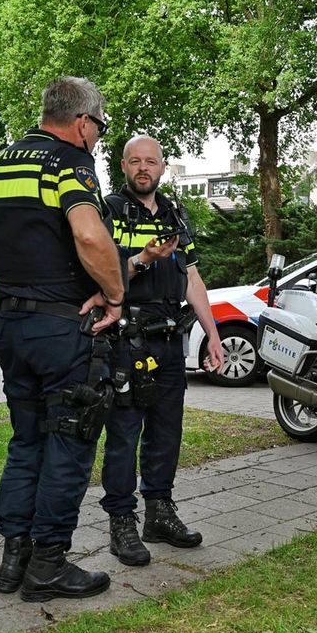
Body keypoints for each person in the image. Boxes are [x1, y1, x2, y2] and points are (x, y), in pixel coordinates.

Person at [0, 76, 125, 602]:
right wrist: (114, 297)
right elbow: (90, 235)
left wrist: (10, 286)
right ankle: (48, 565)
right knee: (69, 443)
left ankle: (13, 560)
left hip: (14, 329)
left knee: (26, 443)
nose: (97, 139)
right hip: (63, 331)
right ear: (83, 123)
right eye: (99, 128)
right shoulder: (68, 164)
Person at [100, 135, 224, 567]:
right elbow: (99, 273)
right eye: (135, 161)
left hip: (171, 341)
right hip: (125, 340)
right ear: (123, 166)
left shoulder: (175, 213)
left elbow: (192, 278)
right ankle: (121, 521)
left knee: (166, 432)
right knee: (124, 434)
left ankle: (159, 511)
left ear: (163, 167)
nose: (143, 168)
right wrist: (143, 259)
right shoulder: (108, 210)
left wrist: (212, 334)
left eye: (150, 161)